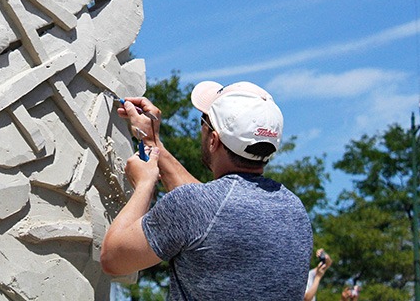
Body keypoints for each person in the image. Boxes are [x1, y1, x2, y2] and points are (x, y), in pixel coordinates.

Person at [100, 80, 313, 300]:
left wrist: (145, 183)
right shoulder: (294, 210)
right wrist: (152, 143)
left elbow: (113, 258)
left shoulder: (200, 206)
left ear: (213, 140)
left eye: (204, 122)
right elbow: (205, 215)